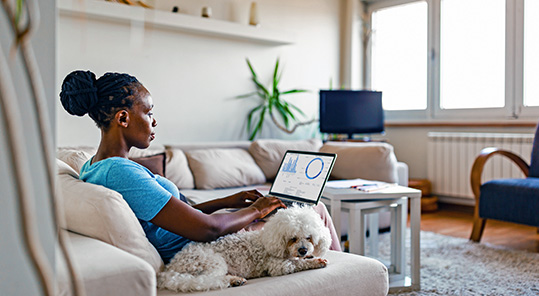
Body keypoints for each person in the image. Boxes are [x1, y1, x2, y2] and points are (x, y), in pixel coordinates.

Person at [60, 70, 341, 264]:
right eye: (148, 112)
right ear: (123, 118)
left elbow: (173, 216)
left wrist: (226, 201)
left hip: (193, 238)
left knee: (296, 210)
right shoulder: (119, 173)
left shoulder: (93, 166)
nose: (153, 121)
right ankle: (345, 276)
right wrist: (257, 209)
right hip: (202, 248)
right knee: (314, 210)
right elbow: (206, 230)